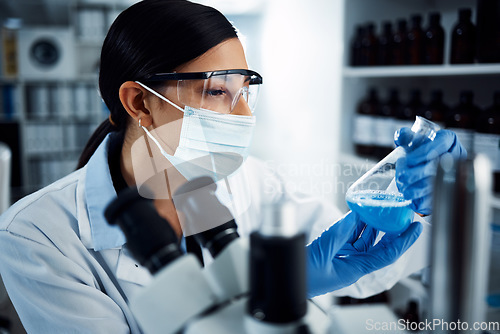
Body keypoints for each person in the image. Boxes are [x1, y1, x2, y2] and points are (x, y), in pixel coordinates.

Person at [0, 0, 466, 333]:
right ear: (140, 101)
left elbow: (372, 267)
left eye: (245, 89)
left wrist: (425, 198)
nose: (243, 114)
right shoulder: (37, 234)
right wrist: (269, 291)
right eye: (217, 91)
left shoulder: (251, 181)